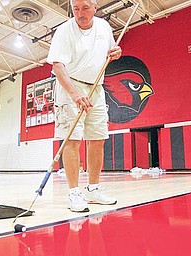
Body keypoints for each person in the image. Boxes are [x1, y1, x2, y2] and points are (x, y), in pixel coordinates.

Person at [47, 0, 122, 212]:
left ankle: (93, 190)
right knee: (72, 139)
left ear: (95, 7)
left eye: (85, 8)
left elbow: (111, 51)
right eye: (76, 8)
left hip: (96, 87)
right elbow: (58, 66)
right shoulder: (64, 31)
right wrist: (74, 94)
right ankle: (74, 193)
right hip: (71, 85)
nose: (80, 13)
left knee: (97, 139)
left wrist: (116, 53)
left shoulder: (104, 27)